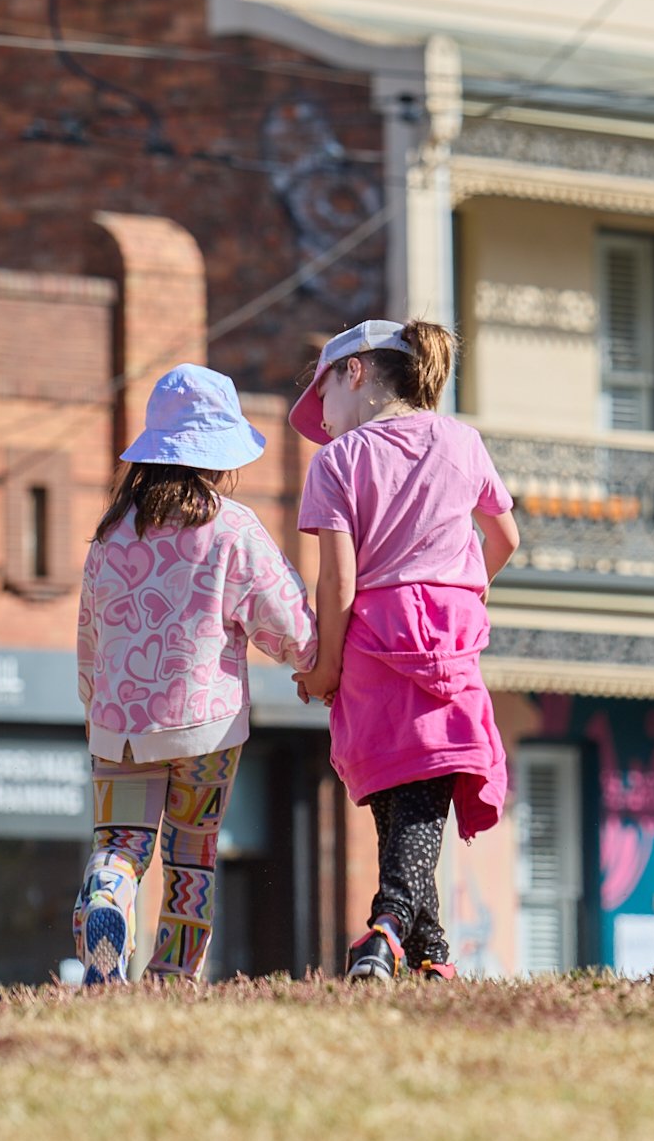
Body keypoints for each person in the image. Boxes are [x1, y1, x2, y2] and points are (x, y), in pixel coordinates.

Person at [73, 364, 315, 986]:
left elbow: (90, 636)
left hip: (119, 727)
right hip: (205, 728)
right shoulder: (232, 528)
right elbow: (284, 622)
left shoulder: (110, 534)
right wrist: (314, 660)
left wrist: (95, 706)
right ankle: (172, 976)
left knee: (120, 846)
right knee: (191, 857)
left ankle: (105, 903)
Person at [291, 320, 518, 982]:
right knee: (419, 787)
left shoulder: (336, 463)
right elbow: (503, 539)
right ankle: (431, 953)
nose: (322, 416)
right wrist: (458, 585)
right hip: (449, 630)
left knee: (400, 785)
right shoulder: (462, 441)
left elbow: (337, 580)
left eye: (321, 393)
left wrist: (325, 664)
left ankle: (390, 926)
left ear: (354, 373)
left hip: (372, 634)